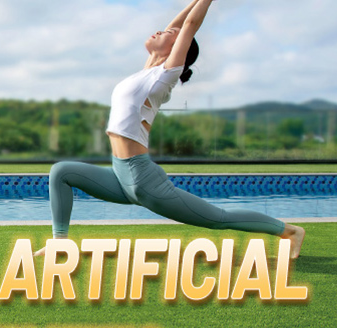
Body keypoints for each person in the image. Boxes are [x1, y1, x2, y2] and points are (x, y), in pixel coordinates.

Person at [36, 0, 305, 258]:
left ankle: (289, 231)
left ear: (178, 48)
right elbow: (179, 23)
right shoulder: (145, 73)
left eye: (168, 34)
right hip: (120, 175)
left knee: (218, 219)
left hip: (143, 180)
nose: (161, 30)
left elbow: (188, 24)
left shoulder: (165, 76)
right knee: (62, 171)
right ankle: (60, 242)